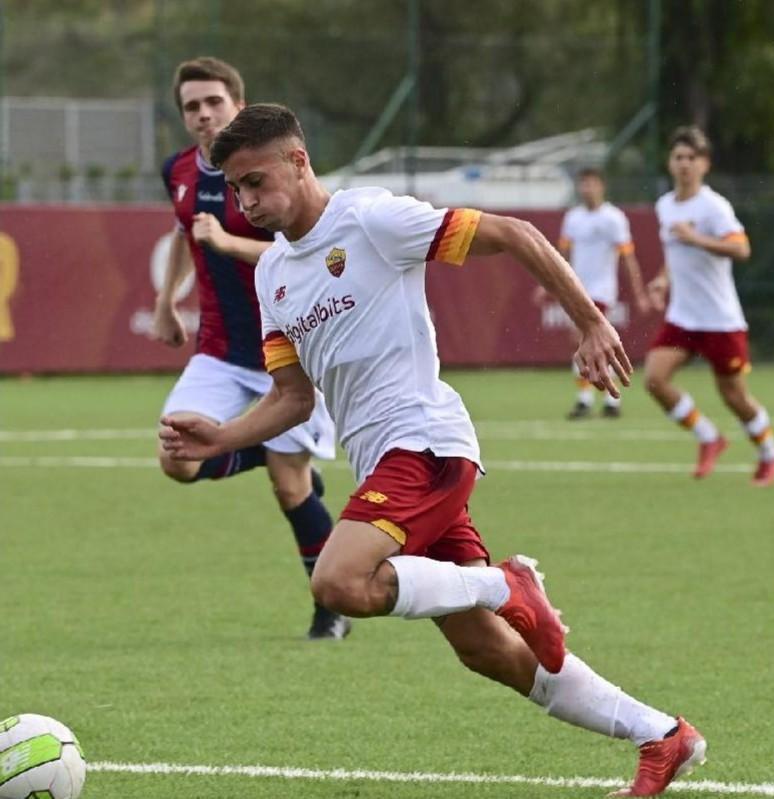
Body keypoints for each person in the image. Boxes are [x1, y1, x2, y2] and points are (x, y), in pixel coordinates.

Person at [160, 103, 707, 797]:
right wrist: (222, 436)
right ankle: (660, 734)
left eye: (256, 181)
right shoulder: (273, 275)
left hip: (423, 443)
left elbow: (510, 232)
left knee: (337, 583)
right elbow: (294, 398)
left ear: (299, 163)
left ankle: (508, 583)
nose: (246, 201)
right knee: (485, 648)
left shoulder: (369, 219)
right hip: (388, 462)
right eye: (236, 189)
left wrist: (590, 322)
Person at [152, 58, 349, 640]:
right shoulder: (179, 170)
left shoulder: (270, 168)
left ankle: (330, 612)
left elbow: (310, 257)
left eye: (213, 101)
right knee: (175, 458)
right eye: (192, 106)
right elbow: (186, 234)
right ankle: (268, 447)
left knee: (291, 489)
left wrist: (229, 241)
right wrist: (167, 301)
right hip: (216, 347)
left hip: (287, 351)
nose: (203, 114)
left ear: (237, 103)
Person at [645, 126, 774, 486]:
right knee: (655, 380)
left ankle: (770, 454)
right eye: (679, 158)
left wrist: (697, 238)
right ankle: (709, 437)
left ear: (704, 164)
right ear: (670, 163)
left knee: (734, 395)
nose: (685, 164)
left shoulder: (714, 206)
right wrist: (663, 278)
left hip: (720, 319)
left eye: (692, 158)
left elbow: (741, 249)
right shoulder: (664, 206)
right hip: (683, 317)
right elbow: (674, 256)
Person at [536, 168, 650, 419]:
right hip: (575, 288)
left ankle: (590, 400)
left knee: (585, 339)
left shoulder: (614, 218)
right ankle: (605, 400)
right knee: (585, 343)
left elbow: (628, 258)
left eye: (591, 184)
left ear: (601, 186)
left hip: (601, 291)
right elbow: (561, 256)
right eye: (583, 184)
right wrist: (549, 284)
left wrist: (638, 293)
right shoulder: (573, 218)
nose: (586, 189)